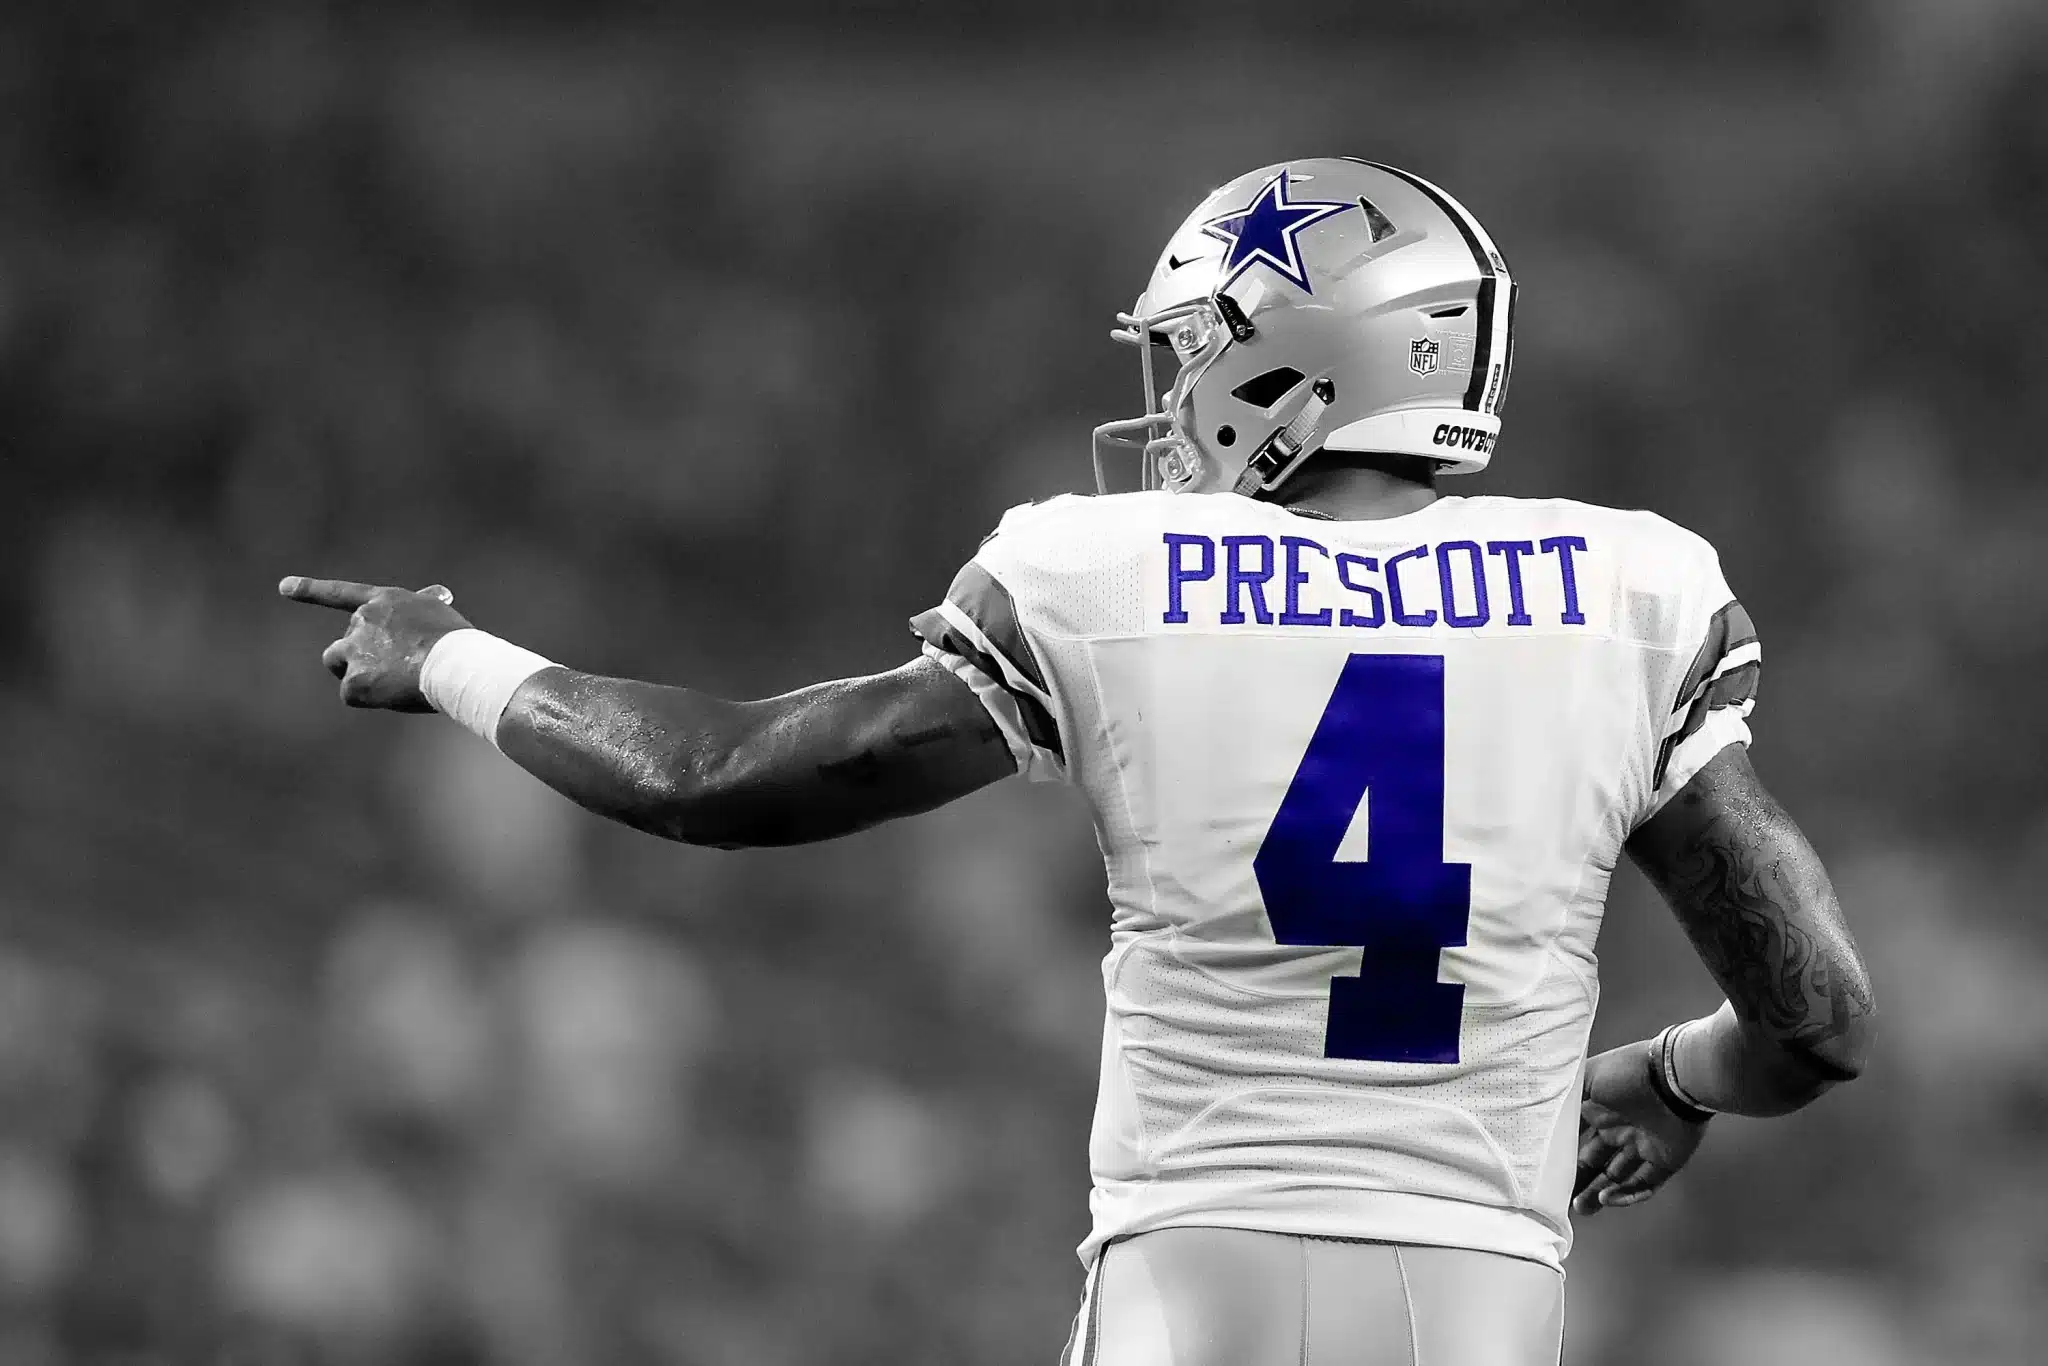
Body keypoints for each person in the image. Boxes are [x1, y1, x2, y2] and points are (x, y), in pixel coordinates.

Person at [282, 158, 1874, 1366]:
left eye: (1201, 352)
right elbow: (1817, 1016)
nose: (1176, 399)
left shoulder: (1106, 573)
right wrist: (1677, 1078)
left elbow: (725, 775)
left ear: (1293, 369)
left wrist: (452, 657)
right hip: (1480, 1296)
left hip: (1191, 1281)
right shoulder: (1623, 594)